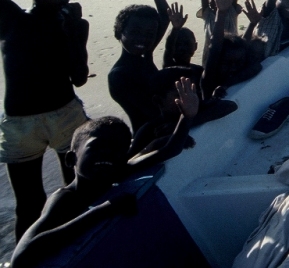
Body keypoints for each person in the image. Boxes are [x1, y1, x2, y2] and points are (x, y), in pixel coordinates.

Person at [11, 78, 199, 267]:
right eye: (97, 147)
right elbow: (22, 255)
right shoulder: (66, 198)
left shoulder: (118, 171)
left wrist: (187, 116)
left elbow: (169, 150)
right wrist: (105, 210)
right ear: (71, 159)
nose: (107, 154)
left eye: (117, 151)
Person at [0, 0, 90, 240]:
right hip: (20, 123)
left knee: (76, 187)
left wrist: (72, 33)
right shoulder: (13, 21)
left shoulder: (76, 24)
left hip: (65, 114)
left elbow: (79, 77)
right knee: (29, 204)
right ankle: (25, 255)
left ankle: (76, 244)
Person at [108, 0, 170, 134]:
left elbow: (165, 16)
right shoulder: (119, 75)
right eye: (134, 32)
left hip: (166, 126)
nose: (142, 39)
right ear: (120, 33)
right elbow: (155, 114)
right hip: (149, 139)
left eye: (149, 34)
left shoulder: (145, 54)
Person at [197, 0, 241, 67]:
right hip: (211, 53)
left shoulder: (231, 10)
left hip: (231, 52)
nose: (217, 1)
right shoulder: (208, 14)